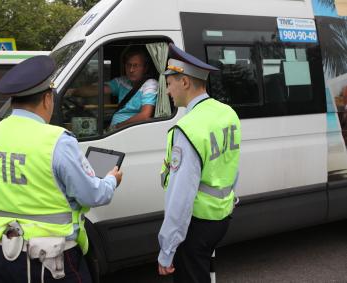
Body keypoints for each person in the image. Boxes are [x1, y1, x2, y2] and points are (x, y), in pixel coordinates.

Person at [0, 55, 123, 283]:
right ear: (47, 99)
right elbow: (93, 194)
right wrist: (111, 180)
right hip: (50, 261)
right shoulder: (57, 141)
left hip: (3, 253)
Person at [158, 43, 241, 283]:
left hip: (196, 224)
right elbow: (232, 166)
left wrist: (167, 249)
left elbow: (180, 196)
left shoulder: (187, 129)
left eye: (170, 83)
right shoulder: (227, 113)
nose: (167, 90)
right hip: (221, 217)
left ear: (184, 82)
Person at [72, 48, 158, 130]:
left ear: (145, 68)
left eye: (136, 66)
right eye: (129, 65)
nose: (131, 70)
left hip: (127, 131)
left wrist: (118, 127)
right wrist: (72, 92)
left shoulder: (150, 84)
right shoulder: (122, 81)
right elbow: (97, 90)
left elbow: (145, 115)